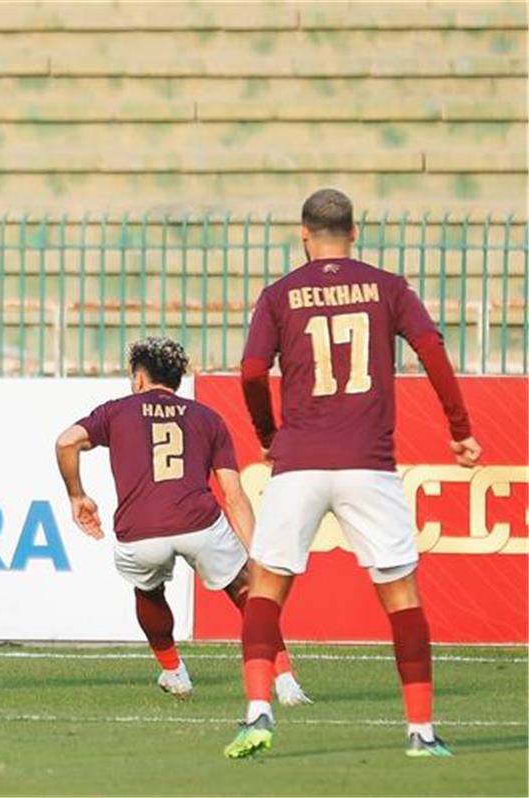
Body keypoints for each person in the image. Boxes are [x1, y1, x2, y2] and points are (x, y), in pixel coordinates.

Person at [225, 188, 481, 759]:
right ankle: (420, 731)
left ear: (304, 234)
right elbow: (431, 350)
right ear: (355, 231)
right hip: (369, 462)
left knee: (268, 586)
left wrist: (269, 435)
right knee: (401, 596)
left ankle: (257, 714)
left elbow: (248, 371)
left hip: (298, 462)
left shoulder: (278, 295)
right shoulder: (388, 287)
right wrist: (459, 428)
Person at [55, 337, 309, 704]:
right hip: (200, 524)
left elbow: (66, 442)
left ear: (139, 379)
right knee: (247, 592)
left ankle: (174, 671)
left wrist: (77, 495)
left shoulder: (116, 411)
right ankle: (285, 680)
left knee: (148, 591)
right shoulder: (207, 418)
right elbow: (234, 496)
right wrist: (256, 554)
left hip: (140, 532)